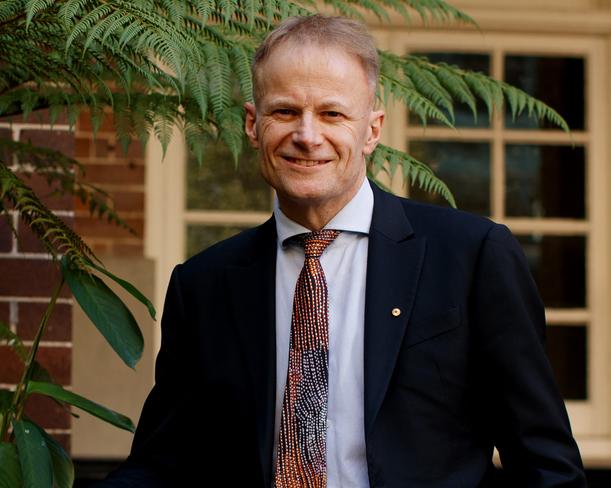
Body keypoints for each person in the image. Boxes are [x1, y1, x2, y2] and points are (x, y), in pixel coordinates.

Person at [99, 15, 586, 488]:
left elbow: (544, 463)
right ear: (253, 124)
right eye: (285, 111)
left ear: (372, 130)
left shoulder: (472, 257)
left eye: (332, 113)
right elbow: (164, 463)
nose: (307, 136)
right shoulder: (204, 285)